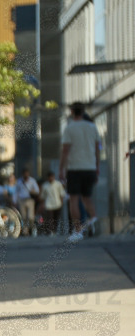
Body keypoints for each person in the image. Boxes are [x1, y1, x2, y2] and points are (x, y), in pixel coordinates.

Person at [60, 101, 101, 241]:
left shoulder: (69, 128)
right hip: (90, 167)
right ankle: (94, 217)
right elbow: (97, 149)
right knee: (86, 197)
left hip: (75, 168)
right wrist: (97, 168)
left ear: (71, 111)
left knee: (74, 199)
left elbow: (65, 151)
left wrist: (61, 169)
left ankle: (77, 231)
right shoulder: (92, 127)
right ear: (83, 111)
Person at [14, 168, 40, 236]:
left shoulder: (32, 181)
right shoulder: (19, 181)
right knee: (24, 217)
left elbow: (37, 190)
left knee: (30, 217)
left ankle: (30, 228)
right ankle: (26, 231)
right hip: (22, 200)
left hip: (30, 200)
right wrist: (15, 201)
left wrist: (33, 191)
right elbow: (16, 192)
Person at [40, 170, 66, 235]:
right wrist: (43, 204)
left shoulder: (58, 184)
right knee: (50, 218)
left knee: (56, 218)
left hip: (57, 203)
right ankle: (51, 231)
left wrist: (61, 202)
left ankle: (55, 230)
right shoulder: (45, 185)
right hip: (49, 204)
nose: (51, 178)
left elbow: (62, 194)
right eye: (50, 177)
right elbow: (43, 196)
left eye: (52, 177)